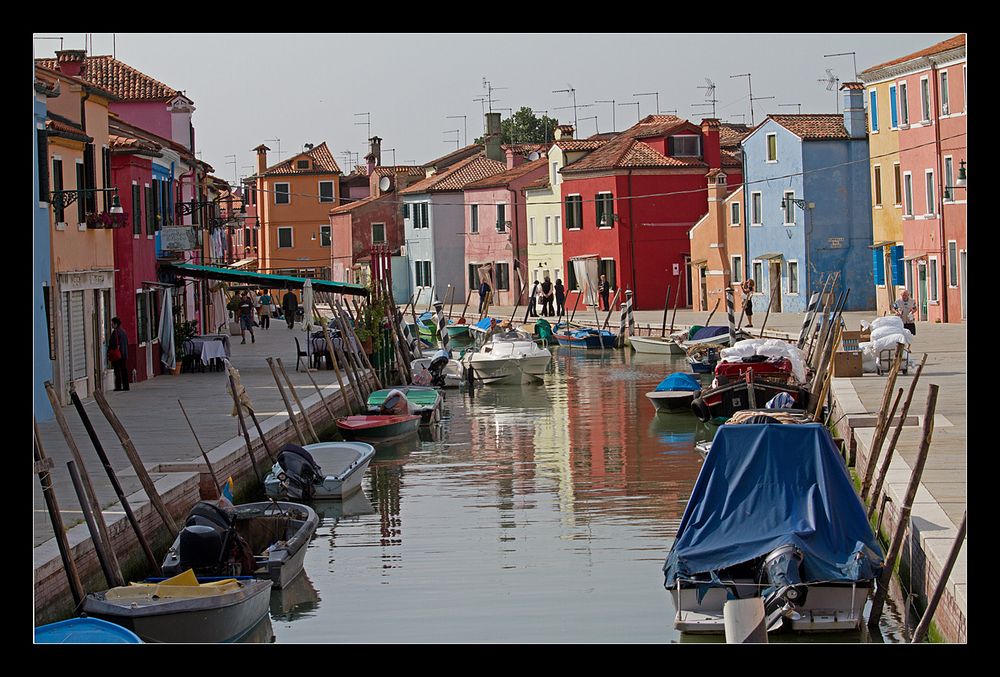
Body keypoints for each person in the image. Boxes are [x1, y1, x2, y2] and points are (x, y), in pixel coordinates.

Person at [108, 317, 129, 391]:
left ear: (116, 324)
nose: (111, 325)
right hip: (124, 354)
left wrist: (109, 350)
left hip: (117, 355)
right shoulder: (123, 331)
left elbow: (113, 344)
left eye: (112, 324)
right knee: (124, 370)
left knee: (117, 371)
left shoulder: (115, 332)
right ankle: (126, 386)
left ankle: (118, 386)